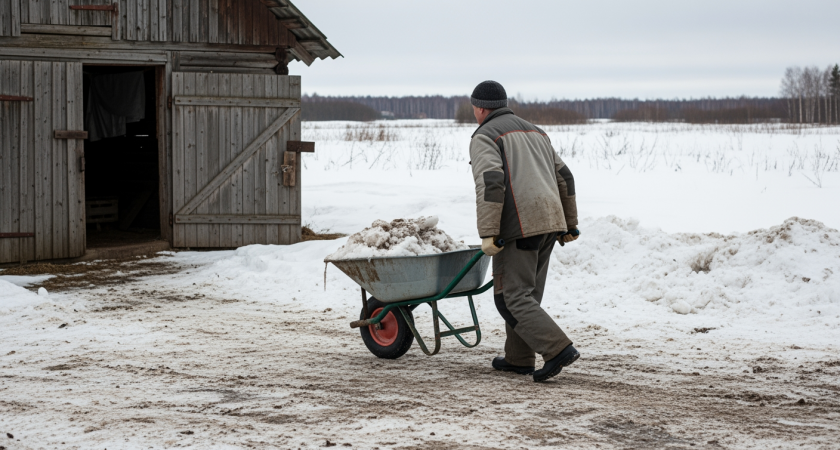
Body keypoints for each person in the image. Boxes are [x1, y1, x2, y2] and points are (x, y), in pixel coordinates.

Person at [468, 80, 580, 382]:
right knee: (527, 294)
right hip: (550, 220)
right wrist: (570, 223)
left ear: (479, 108)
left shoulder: (485, 135)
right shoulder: (535, 130)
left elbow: (491, 181)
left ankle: (557, 349)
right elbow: (564, 177)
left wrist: (489, 232)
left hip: (520, 224)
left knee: (510, 298)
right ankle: (519, 358)